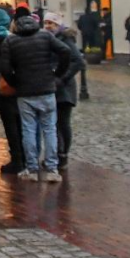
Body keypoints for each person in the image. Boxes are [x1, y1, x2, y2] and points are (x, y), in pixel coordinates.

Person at [0, 14, 71, 182]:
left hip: (25, 91)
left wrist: (14, 82)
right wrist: (57, 74)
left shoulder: (11, 41)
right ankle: (52, 169)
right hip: (46, 88)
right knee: (50, 129)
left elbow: (5, 68)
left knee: (29, 130)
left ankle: (31, 169)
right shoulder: (45, 36)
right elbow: (65, 51)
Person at [0, 9, 24, 174]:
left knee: (11, 126)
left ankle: (17, 160)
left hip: (5, 86)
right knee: (22, 125)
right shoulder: (16, 38)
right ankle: (25, 157)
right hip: (20, 86)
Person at [49, 14, 85, 170]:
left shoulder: (65, 40)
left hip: (65, 89)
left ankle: (63, 155)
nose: (48, 26)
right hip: (54, 87)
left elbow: (78, 61)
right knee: (55, 123)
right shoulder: (50, 40)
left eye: (51, 23)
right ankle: (58, 153)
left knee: (63, 123)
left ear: (58, 25)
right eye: (46, 23)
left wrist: (62, 78)